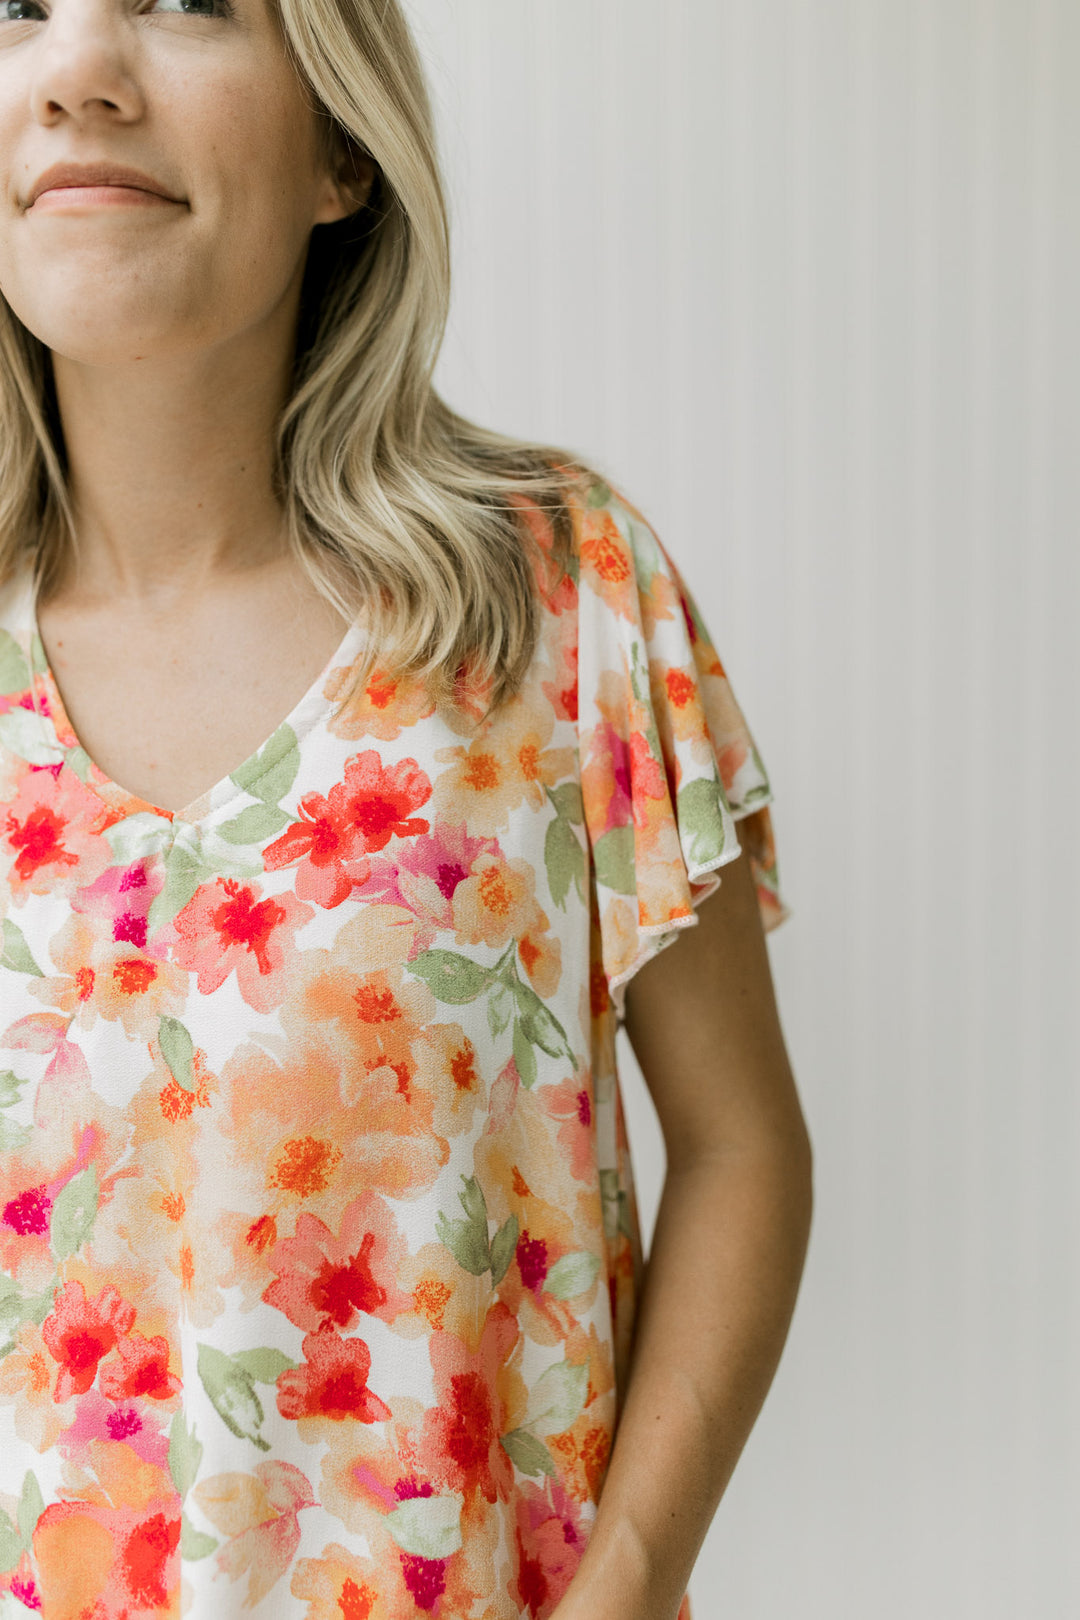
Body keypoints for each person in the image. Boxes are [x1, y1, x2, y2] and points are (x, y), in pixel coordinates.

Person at [0, 0, 813, 1614]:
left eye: (185, 5)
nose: (80, 70)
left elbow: (739, 1145)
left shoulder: (554, 598)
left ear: (343, 155)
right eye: (20, 8)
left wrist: (632, 1577)